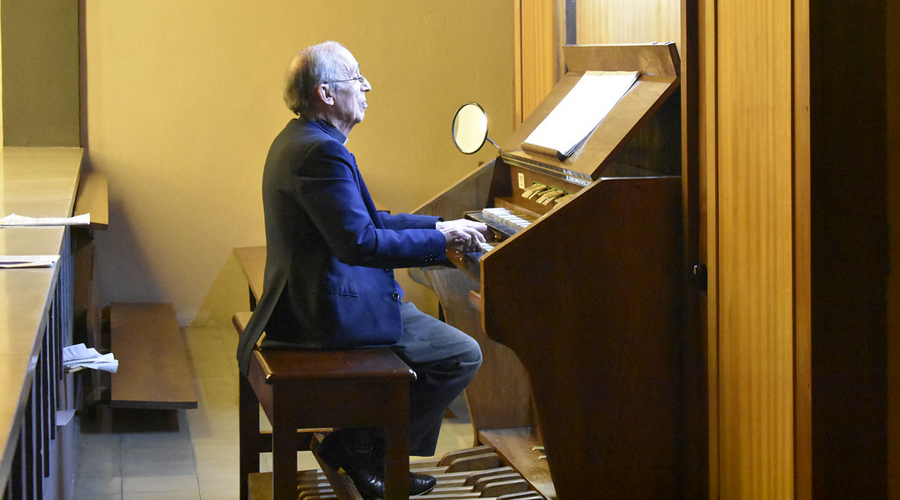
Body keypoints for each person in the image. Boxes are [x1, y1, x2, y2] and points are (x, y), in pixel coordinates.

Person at [236, 41, 487, 500]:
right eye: (356, 77)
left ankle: (366, 451)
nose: (367, 86)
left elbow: (368, 222)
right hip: (322, 313)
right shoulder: (320, 153)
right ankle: (361, 448)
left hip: (317, 295)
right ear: (327, 93)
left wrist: (439, 226)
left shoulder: (304, 140)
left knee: (441, 341)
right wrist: (443, 242)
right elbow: (361, 244)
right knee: (462, 353)